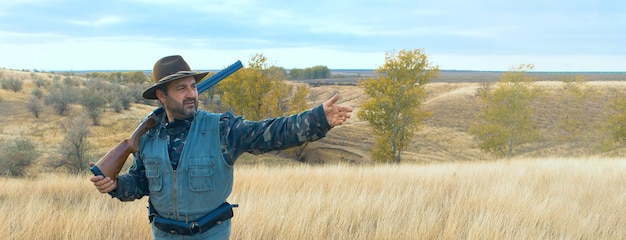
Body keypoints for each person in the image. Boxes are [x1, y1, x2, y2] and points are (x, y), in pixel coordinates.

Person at [90, 55, 352, 239]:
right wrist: (116, 186)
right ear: (161, 96)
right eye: (181, 88)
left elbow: (271, 133)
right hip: (163, 235)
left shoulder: (223, 129)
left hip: (210, 235)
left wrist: (318, 118)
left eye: (193, 86)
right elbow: (140, 183)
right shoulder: (148, 135)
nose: (192, 93)